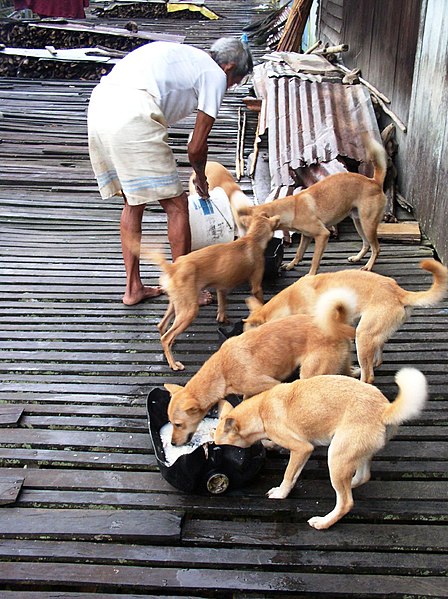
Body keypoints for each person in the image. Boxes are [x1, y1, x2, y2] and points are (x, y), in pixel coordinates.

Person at [87, 37, 253, 306]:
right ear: (229, 68)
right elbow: (196, 147)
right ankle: (184, 287)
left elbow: (193, 143)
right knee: (176, 205)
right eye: (236, 80)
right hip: (132, 111)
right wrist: (200, 177)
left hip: (100, 106)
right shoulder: (215, 75)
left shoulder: (190, 59)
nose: (231, 87)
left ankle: (133, 289)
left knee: (133, 202)